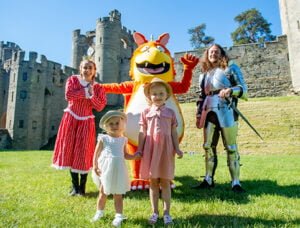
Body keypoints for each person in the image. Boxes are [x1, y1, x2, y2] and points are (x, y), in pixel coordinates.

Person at [193, 44, 248, 193]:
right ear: (207, 55)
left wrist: (231, 90)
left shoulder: (231, 69)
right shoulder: (204, 74)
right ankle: (208, 179)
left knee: (231, 148)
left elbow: (244, 89)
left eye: (216, 52)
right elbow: (201, 96)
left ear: (221, 54)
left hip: (227, 110)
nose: (213, 54)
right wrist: (199, 114)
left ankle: (236, 182)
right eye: (211, 52)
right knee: (208, 146)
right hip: (208, 111)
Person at [52, 59, 106, 196]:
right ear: (80, 69)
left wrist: (91, 95)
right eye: (84, 67)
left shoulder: (98, 87)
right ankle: (74, 187)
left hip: (86, 120)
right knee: (70, 150)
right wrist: (85, 92)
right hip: (71, 118)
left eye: (89, 68)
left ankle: (82, 188)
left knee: (83, 152)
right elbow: (69, 95)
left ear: (94, 71)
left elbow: (99, 106)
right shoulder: (73, 80)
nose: (87, 70)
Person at [136, 78, 183, 225]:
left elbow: (174, 132)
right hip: (150, 148)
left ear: (166, 95)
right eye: (154, 93)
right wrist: (139, 149)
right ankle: (155, 212)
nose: (157, 96)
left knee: (166, 181)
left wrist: (177, 148)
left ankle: (167, 213)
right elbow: (142, 132)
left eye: (161, 93)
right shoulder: (145, 112)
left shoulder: (170, 112)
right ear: (149, 96)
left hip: (166, 150)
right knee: (153, 182)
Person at [91, 110, 141, 227]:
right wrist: (95, 166)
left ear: (122, 125)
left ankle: (119, 215)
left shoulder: (123, 140)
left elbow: (125, 155)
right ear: (106, 126)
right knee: (103, 192)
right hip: (106, 168)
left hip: (118, 168)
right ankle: (99, 212)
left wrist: (134, 156)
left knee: (118, 193)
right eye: (111, 124)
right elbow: (96, 153)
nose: (114, 126)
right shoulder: (104, 138)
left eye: (117, 123)